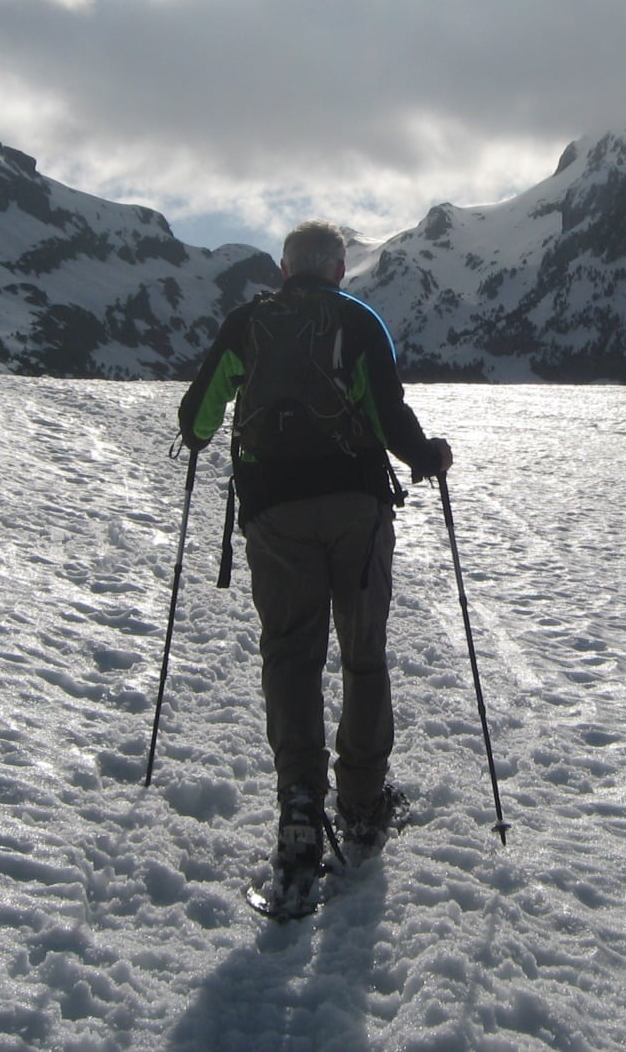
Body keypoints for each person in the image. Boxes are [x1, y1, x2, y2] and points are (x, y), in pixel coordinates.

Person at [178, 219, 451, 905]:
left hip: (275, 513)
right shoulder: (357, 319)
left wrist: (201, 433)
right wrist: (427, 459)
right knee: (363, 652)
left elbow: (196, 417)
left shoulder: (248, 321)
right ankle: (361, 801)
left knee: (291, 654)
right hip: (355, 510)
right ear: (336, 267)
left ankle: (299, 808)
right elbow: (389, 414)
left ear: (281, 267)